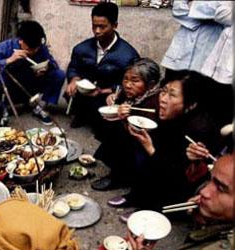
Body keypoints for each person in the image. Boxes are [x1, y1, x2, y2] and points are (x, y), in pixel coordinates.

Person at [106, 70, 223, 211]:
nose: (163, 99)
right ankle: (136, 195)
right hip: (163, 162)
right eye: (164, 91)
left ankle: (150, 206)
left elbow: (177, 173)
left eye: (172, 95)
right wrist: (124, 117)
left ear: (191, 104)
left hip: (179, 183)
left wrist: (150, 148)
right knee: (135, 146)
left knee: (150, 156)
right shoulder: (165, 110)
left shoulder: (200, 129)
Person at [65, 2, 139, 131]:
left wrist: (104, 91)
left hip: (107, 96)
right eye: (94, 26)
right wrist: (73, 79)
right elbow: (73, 68)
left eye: (102, 27)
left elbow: (130, 84)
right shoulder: (81, 48)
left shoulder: (129, 55)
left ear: (115, 25)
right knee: (72, 92)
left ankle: (98, 120)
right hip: (83, 94)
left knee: (102, 127)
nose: (97, 31)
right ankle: (81, 114)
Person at [92, 58, 161, 191]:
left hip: (149, 143)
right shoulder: (135, 92)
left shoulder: (155, 101)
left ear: (151, 84)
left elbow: (143, 132)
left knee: (119, 134)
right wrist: (113, 97)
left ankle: (120, 177)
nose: (128, 85)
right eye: (126, 79)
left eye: (135, 81)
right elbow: (120, 95)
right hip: (130, 131)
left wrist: (125, 119)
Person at [0, 20, 66, 126]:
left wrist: (46, 68)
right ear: (20, 41)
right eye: (29, 49)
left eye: (36, 48)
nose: (33, 52)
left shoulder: (40, 48)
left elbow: (53, 64)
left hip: (31, 87)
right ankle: (3, 111)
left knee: (59, 74)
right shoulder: (5, 47)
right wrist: (9, 60)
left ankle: (40, 107)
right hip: (10, 89)